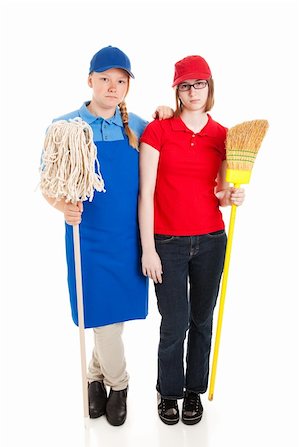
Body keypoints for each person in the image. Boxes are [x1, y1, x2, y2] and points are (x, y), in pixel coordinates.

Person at [42, 45, 173, 426]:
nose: (112, 87)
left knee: (110, 320)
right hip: (88, 239)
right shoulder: (66, 128)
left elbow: (166, 152)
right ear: (90, 81)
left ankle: (94, 377)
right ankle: (120, 383)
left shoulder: (140, 129)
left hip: (128, 238)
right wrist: (60, 207)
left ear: (128, 86)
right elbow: (49, 181)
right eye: (105, 79)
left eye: (121, 81)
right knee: (100, 317)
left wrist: (166, 114)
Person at [138, 54, 245, 425]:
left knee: (202, 319)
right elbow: (145, 193)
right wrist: (148, 248)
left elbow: (219, 189)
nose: (194, 91)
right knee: (175, 321)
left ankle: (193, 391)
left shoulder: (223, 136)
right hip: (167, 242)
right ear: (177, 91)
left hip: (212, 239)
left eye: (200, 83)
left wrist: (230, 197)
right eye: (186, 85)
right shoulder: (159, 131)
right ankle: (168, 391)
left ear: (209, 87)